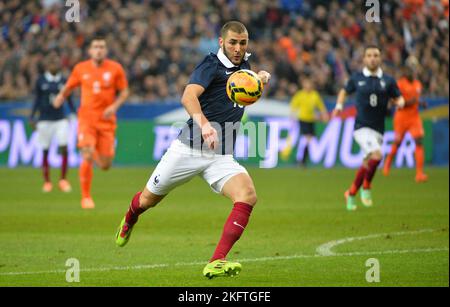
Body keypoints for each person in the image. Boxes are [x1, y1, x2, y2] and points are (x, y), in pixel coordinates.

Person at [114, 21, 271, 278]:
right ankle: (130, 218)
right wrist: (205, 125)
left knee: (247, 195)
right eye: (232, 42)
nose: (238, 48)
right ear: (221, 42)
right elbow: (188, 96)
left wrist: (259, 80)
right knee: (147, 200)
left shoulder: (245, 68)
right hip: (188, 149)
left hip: (220, 155)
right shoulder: (210, 65)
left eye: (242, 43)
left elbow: (244, 96)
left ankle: (216, 260)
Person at [53, 35, 129, 209]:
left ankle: (96, 150)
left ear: (106, 50)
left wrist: (114, 107)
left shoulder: (115, 68)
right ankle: (86, 197)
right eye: (95, 47)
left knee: (104, 165)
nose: (99, 50)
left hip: (106, 121)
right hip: (86, 118)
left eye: (102, 47)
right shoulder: (81, 68)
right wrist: (60, 97)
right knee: (86, 154)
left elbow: (124, 92)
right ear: (90, 51)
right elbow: (69, 86)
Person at [332, 45, 405, 211]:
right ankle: (366, 187)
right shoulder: (357, 78)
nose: (372, 58)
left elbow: (399, 98)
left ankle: (350, 193)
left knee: (367, 162)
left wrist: (400, 102)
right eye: (369, 55)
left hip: (378, 129)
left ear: (380, 58)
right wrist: (339, 105)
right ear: (364, 59)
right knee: (377, 155)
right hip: (361, 127)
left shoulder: (388, 80)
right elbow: (344, 91)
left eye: (376, 55)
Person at [30, 55, 76, 193]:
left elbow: (69, 98)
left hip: (60, 119)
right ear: (47, 65)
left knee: (64, 147)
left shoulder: (63, 80)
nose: (54, 65)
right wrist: (33, 116)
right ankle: (47, 181)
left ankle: (63, 180)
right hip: (44, 120)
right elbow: (37, 100)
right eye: (51, 63)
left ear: (59, 64)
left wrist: (73, 113)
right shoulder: (41, 80)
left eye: (56, 62)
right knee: (45, 150)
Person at [383, 63, 428, 182]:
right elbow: (394, 102)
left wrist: (420, 103)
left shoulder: (418, 84)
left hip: (414, 118)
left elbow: (416, 99)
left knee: (418, 141)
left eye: (411, 71)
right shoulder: (400, 84)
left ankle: (419, 174)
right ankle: (388, 161)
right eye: (407, 71)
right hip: (401, 117)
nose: (409, 73)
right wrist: (409, 102)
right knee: (398, 143)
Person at [289, 77, 329, 167]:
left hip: (311, 120)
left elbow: (321, 106)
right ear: (303, 85)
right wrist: (292, 117)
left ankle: (301, 159)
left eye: (309, 84)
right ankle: (301, 159)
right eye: (306, 84)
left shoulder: (315, 95)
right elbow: (293, 106)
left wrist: (325, 114)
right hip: (303, 119)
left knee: (309, 139)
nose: (308, 86)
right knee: (308, 138)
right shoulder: (300, 94)